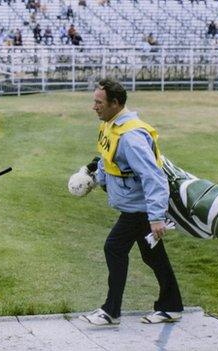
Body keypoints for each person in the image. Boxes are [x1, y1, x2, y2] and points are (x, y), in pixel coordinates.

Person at [79, 78, 184, 326]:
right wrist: (95, 179)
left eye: (99, 102)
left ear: (115, 103)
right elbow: (108, 159)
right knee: (153, 256)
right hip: (137, 207)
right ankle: (172, 306)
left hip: (141, 208)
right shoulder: (111, 125)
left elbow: (153, 176)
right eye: (94, 101)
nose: (94, 106)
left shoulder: (131, 137)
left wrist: (156, 217)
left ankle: (111, 311)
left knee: (114, 247)